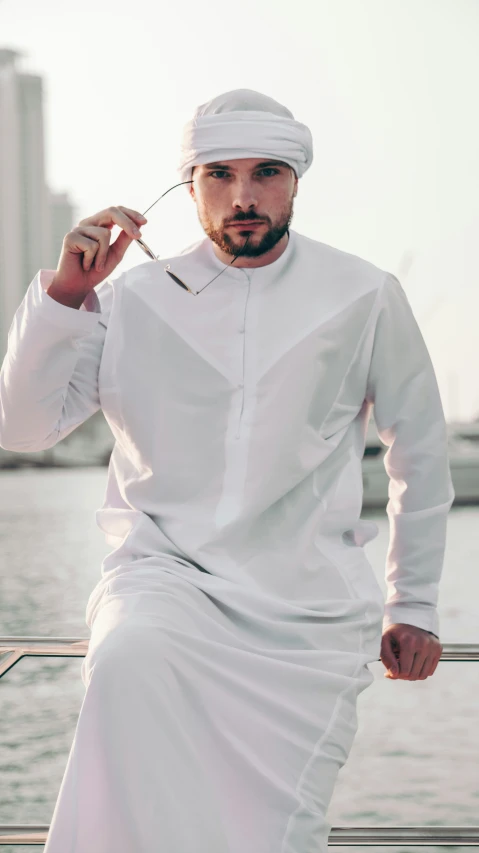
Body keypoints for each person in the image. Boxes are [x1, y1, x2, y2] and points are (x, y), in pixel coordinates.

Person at [0, 88, 454, 853]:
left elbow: (419, 450)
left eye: (265, 172)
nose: (243, 196)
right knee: (125, 664)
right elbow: (24, 425)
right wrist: (68, 293)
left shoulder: (364, 293)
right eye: (219, 174)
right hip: (163, 584)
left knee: (274, 833)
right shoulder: (127, 298)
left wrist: (411, 603)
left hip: (305, 614)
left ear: (296, 181)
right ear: (189, 186)